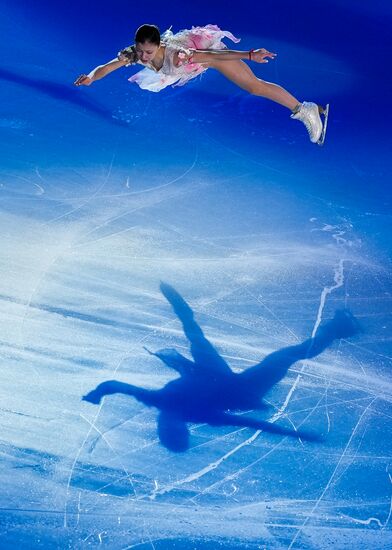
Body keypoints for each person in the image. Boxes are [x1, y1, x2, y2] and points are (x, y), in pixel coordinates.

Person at [83, 282, 360, 452]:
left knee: (196, 334)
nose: (170, 425)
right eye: (177, 431)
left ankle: (179, 304)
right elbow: (253, 424)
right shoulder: (201, 415)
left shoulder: (157, 400)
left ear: (161, 429)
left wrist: (98, 393)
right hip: (236, 390)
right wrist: (295, 433)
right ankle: (337, 328)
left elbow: (114, 385)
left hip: (208, 374)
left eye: (168, 430)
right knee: (286, 356)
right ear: (183, 430)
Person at [74, 24, 329, 144]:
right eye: (140, 52)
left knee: (255, 86)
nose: (143, 58)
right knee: (254, 86)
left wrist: (249, 54)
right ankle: (311, 109)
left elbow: (213, 57)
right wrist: (91, 77)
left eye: (148, 53)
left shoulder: (176, 55)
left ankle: (305, 109)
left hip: (208, 56)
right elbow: (107, 66)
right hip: (196, 62)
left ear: (159, 46)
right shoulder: (133, 53)